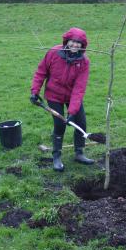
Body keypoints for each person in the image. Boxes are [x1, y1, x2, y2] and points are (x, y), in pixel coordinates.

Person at [30, 27, 95, 171]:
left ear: (83, 45)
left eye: (79, 43)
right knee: (60, 125)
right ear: (67, 41)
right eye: (73, 41)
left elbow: (79, 88)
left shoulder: (83, 62)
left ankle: (79, 153)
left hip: (72, 96)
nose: (75, 45)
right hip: (54, 95)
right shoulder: (53, 53)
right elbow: (41, 72)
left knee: (81, 123)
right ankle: (57, 156)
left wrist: (72, 112)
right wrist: (35, 91)